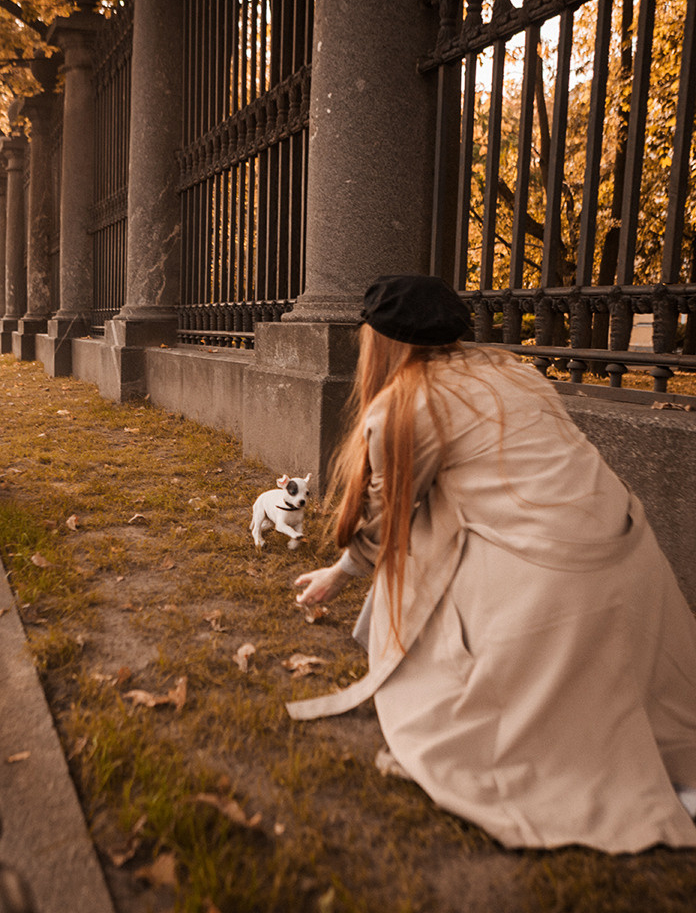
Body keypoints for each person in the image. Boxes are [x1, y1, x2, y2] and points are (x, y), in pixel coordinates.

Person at [290, 274, 696, 854]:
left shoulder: (401, 408)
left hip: (549, 581)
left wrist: (339, 572)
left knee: (431, 530)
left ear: (377, 342)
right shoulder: (511, 368)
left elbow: (389, 521)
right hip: (633, 559)